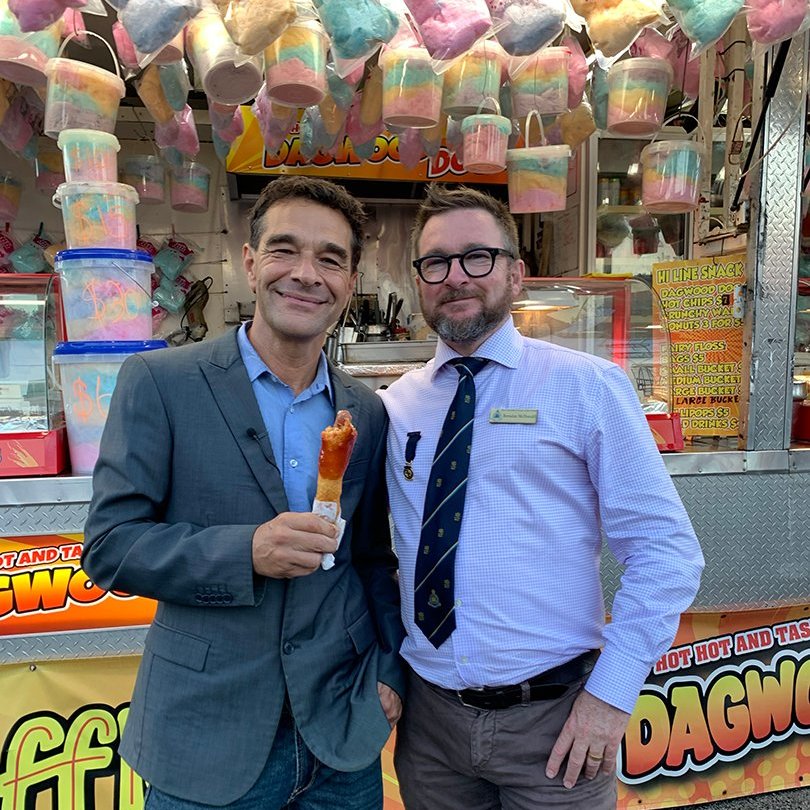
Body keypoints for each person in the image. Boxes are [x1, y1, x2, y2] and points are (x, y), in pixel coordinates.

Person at [82, 175, 405, 809]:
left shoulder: (366, 412)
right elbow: (110, 547)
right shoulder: (159, 382)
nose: (306, 274)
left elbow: (372, 560)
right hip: (206, 739)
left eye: (330, 259)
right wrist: (246, 552)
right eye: (285, 250)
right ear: (251, 263)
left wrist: (389, 672)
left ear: (349, 282)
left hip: (341, 739)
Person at [379, 185, 704, 810]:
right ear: (419, 280)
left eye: (478, 256)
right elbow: (382, 555)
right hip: (430, 727)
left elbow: (665, 553)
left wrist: (611, 695)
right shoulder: (397, 406)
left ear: (516, 273)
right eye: (436, 262)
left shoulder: (587, 386)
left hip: (555, 726)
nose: (456, 277)